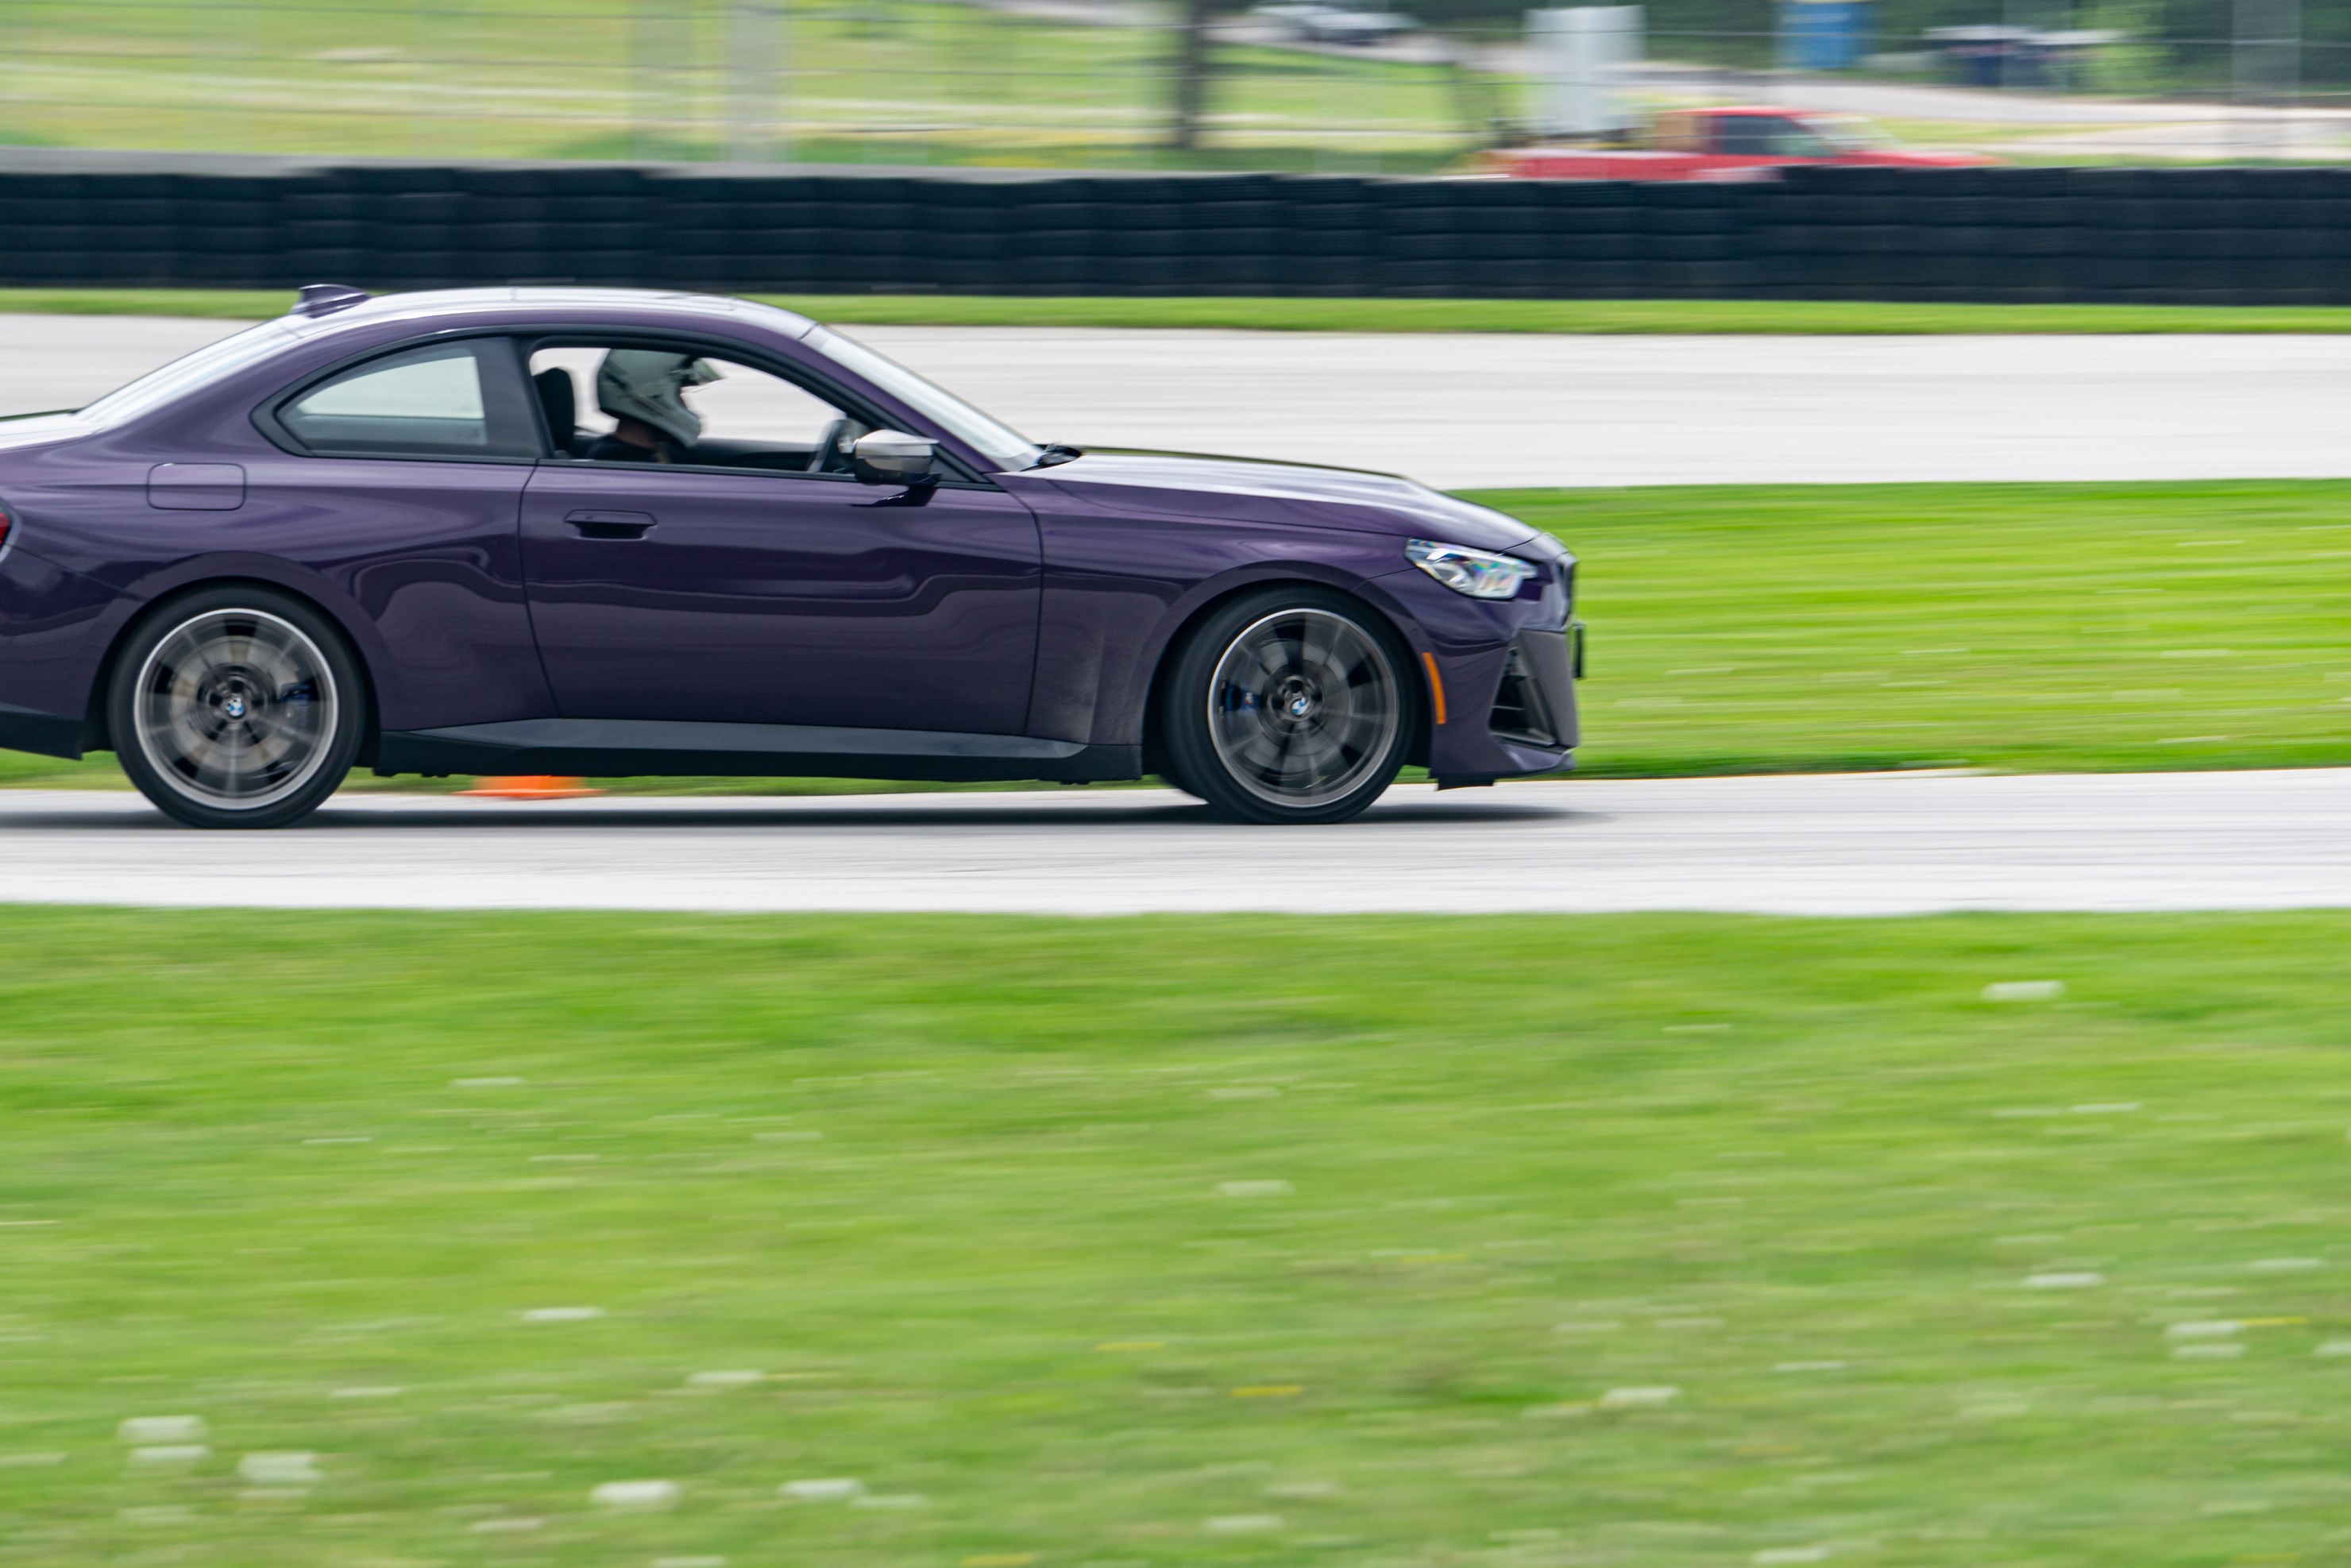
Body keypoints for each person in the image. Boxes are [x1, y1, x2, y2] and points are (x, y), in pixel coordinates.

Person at [585, 350, 720, 462]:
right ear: (650, 393)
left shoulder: (634, 454)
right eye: (679, 394)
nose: (685, 404)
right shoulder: (621, 460)